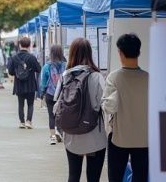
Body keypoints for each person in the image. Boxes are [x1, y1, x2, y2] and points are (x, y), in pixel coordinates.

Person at [56, 38, 107, 182]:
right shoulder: (97, 76)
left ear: (71, 54)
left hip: (71, 134)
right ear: (90, 53)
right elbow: (104, 104)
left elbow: (57, 104)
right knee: (93, 178)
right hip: (94, 135)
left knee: (73, 175)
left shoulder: (65, 76)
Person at [102, 34, 149, 182]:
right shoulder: (148, 78)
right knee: (140, 177)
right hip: (144, 139)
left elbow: (109, 108)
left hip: (119, 138)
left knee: (115, 177)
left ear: (120, 52)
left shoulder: (113, 78)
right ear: (139, 52)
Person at [7, 37, 41, 129]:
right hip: (30, 84)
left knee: (20, 104)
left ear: (19, 45)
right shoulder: (31, 57)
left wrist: (18, 73)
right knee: (30, 104)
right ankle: (29, 122)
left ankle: (21, 122)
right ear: (29, 45)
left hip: (19, 84)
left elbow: (10, 72)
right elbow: (38, 69)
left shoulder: (14, 57)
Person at [39, 45, 66, 145]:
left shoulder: (47, 66)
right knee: (61, 114)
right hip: (63, 95)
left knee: (51, 115)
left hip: (50, 94)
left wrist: (42, 93)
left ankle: (53, 136)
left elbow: (44, 82)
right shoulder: (66, 65)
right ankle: (60, 131)